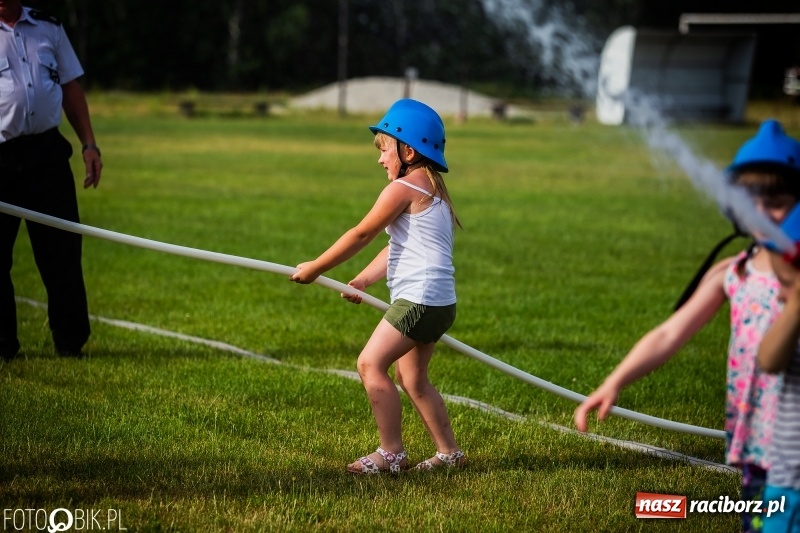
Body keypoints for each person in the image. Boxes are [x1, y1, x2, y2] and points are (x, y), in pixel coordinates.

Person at [574, 119, 800, 533]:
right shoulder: (733, 272)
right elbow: (670, 332)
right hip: (753, 435)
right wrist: (615, 381)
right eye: (751, 200)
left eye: (778, 202)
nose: (763, 213)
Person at [290, 99, 466, 473]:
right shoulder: (432, 190)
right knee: (412, 377)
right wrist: (363, 280)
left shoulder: (403, 188)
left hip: (418, 301)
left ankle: (391, 453)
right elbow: (397, 246)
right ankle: (449, 454)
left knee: (370, 363)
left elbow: (362, 233)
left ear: (408, 150)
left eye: (385, 149)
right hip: (439, 302)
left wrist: (315, 268)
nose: (380, 159)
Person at [0, 1, 102, 360]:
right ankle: (3, 347)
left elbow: (71, 87)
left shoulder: (48, 27)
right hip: (0, 156)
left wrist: (89, 143)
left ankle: (70, 342)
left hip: (46, 154)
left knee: (63, 252)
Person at [756, 204, 800, 533]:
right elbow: (769, 358)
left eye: (785, 284)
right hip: (785, 481)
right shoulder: (793, 322)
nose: (780, 296)